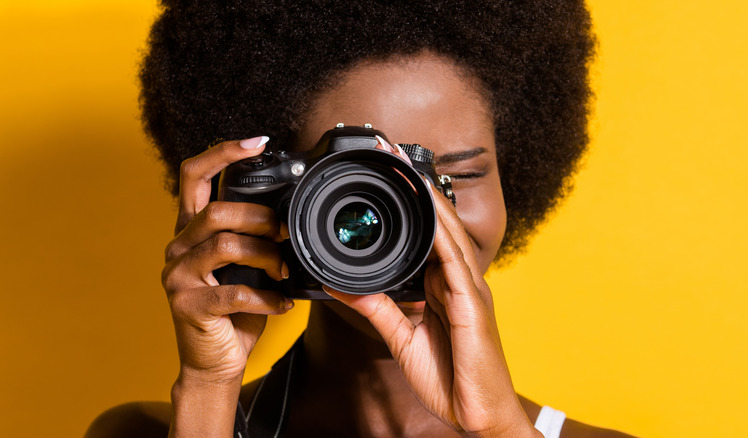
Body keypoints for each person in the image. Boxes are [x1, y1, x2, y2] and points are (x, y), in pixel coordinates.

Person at [87, 1, 635, 437]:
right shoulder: (147, 431)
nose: (420, 219)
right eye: (360, 189)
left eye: (458, 179)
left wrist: (499, 430)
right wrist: (209, 390)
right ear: (275, 197)